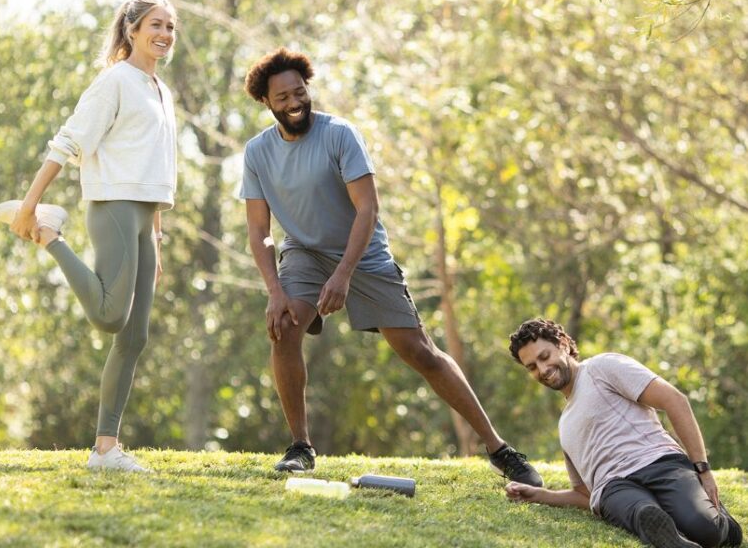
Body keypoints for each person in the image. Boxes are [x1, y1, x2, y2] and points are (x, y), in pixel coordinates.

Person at [238, 47, 542, 486]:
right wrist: (274, 290)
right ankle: (300, 447)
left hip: (361, 254)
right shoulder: (257, 152)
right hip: (303, 252)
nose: (294, 103)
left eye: (299, 92)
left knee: (420, 352)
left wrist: (343, 274)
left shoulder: (339, 134)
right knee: (284, 329)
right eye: (283, 97)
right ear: (266, 102)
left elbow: (368, 210)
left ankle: (500, 449)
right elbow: (259, 230)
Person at [0, 0, 178, 472]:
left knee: (134, 337)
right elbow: (69, 141)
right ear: (132, 29)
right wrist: (31, 205)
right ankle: (51, 233)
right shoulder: (114, 81)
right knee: (110, 317)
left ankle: (105, 450)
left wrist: (157, 239)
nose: (165, 34)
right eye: (156, 25)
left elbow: (155, 167)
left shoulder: (162, 90)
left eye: (171, 27)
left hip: (144, 214)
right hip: (112, 206)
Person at [505, 318, 743, 548]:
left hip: (658, 462)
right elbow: (584, 494)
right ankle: (663, 531)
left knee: (705, 529)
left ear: (563, 345)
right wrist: (539, 495)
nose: (543, 370)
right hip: (613, 488)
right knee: (643, 512)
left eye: (544, 357)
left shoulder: (601, 367)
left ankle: (723, 526)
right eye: (532, 367)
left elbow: (674, 400)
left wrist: (703, 468)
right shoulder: (564, 425)